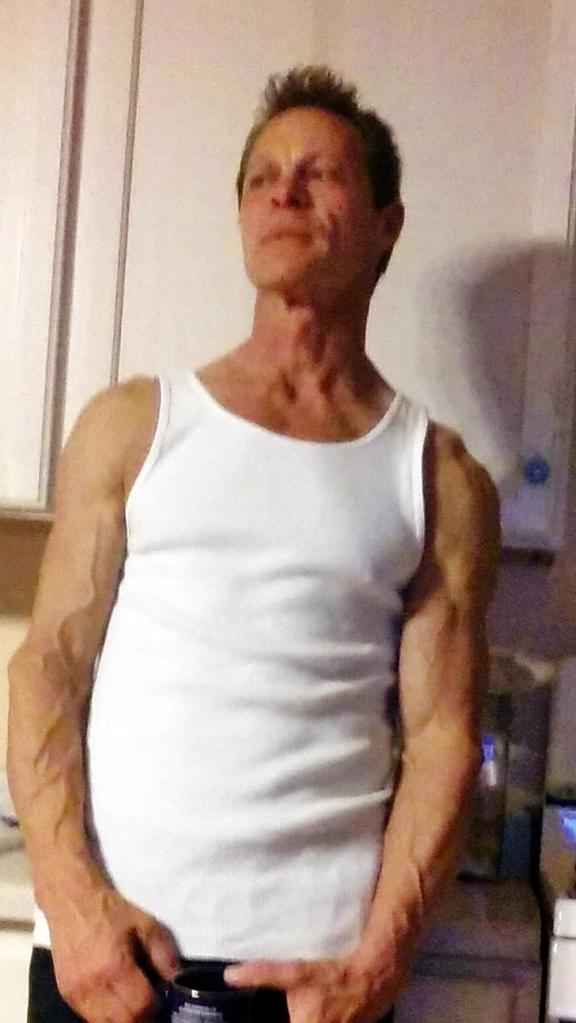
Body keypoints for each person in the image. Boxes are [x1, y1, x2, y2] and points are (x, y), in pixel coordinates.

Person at [7, 65, 500, 1023]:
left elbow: (445, 738)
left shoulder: (437, 475)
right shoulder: (132, 424)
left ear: (387, 224)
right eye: (262, 177)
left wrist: (378, 963)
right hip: (110, 957)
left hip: (312, 984)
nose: (284, 193)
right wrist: (71, 904)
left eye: (321, 174)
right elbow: (48, 671)